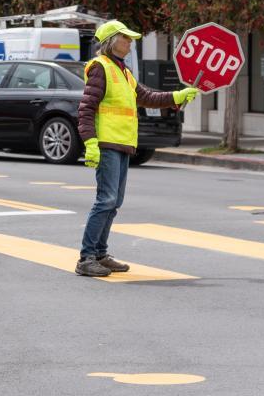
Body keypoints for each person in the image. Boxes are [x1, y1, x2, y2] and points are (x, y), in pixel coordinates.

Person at [75, 20, 198, 277]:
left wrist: (176, 96)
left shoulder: (124, 71)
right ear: (111, 41)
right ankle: (86, 258)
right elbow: (86, 109)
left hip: (123, 144)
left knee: (114, 202)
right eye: (125, 38)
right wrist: (90, 143)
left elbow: (146, 96)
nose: (130, 42)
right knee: (105, 200)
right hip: (107, 143)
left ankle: (100, 253)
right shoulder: (100, 68)